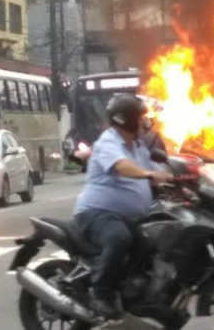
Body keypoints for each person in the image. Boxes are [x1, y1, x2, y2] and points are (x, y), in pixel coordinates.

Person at [72, 94, 173, 318]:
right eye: (140, 118)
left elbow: (159, 166)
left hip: (128, 217)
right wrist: (148, 174)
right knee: (119, 239)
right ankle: (100, 293)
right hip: (97, 213)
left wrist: (181, 174)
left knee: (151, 245)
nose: (145, 122)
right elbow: (122, 166)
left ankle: (133, 295)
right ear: (126, 120)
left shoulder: (137, 146)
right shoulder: (108, 142)